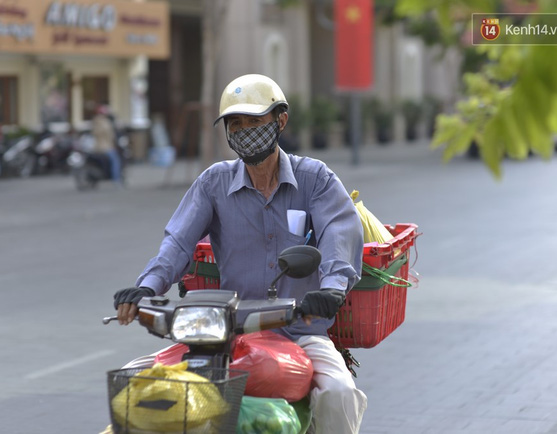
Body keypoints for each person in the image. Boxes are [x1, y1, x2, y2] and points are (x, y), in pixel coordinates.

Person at [113, 74, 367, 433]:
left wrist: (331, 290)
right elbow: (178, 243)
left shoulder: (316, 179)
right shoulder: (213, 183)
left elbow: (338, 238)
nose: (244, 130)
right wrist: (146, 288)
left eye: (254, 121)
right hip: (227, 333)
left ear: (280, 120)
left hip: (300, 329)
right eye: (235, 123)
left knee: (339, 393)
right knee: (134, 382)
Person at [91, 104, 121, 185]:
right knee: (116, 161)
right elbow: (110, 134)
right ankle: (116, 179)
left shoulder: (96, 121)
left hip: (100, 146)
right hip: (105, 147)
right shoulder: (103, 122)